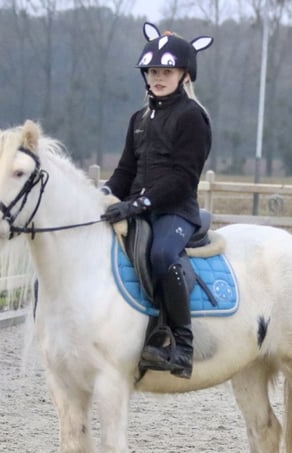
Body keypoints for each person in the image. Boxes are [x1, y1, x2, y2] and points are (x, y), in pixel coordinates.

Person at [100, 22, 214, 379]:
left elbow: (182, 179)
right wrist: (103, 196)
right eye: (152, 71)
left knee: (162, 255)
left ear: (184, 75)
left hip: (175, 211)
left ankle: (181, 345)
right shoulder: (138, 119)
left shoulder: (192, 117)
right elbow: (124, 171)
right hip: (139, 206)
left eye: (166, 71)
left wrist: (138, 205)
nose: (158, 77)